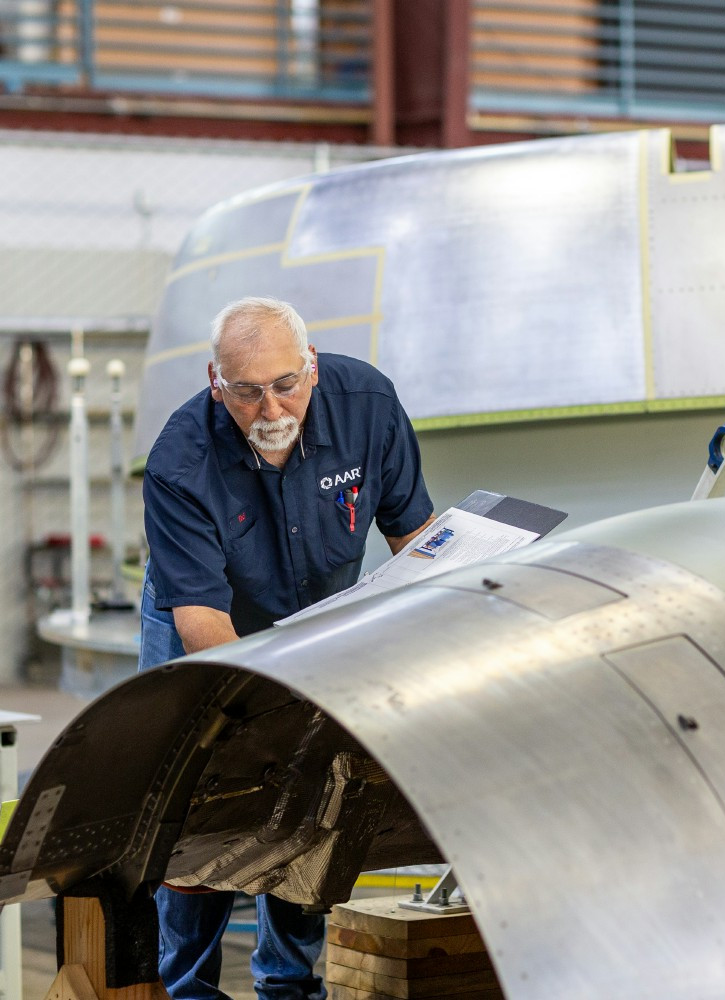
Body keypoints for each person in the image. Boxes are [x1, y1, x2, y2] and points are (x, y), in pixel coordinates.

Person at [139, 295, 434, 1000]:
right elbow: (204, 625)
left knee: (313, 801)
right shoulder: (181, 461)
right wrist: (274, 717)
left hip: (314, 621)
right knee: (199, 806)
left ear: (313, 369)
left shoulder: (370, 405)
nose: (270, 409)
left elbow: (415, 541)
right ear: (216, 382)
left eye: (285, 385)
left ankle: (288, 987)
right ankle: (186, 989)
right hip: (207, 627)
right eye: (245, 392)